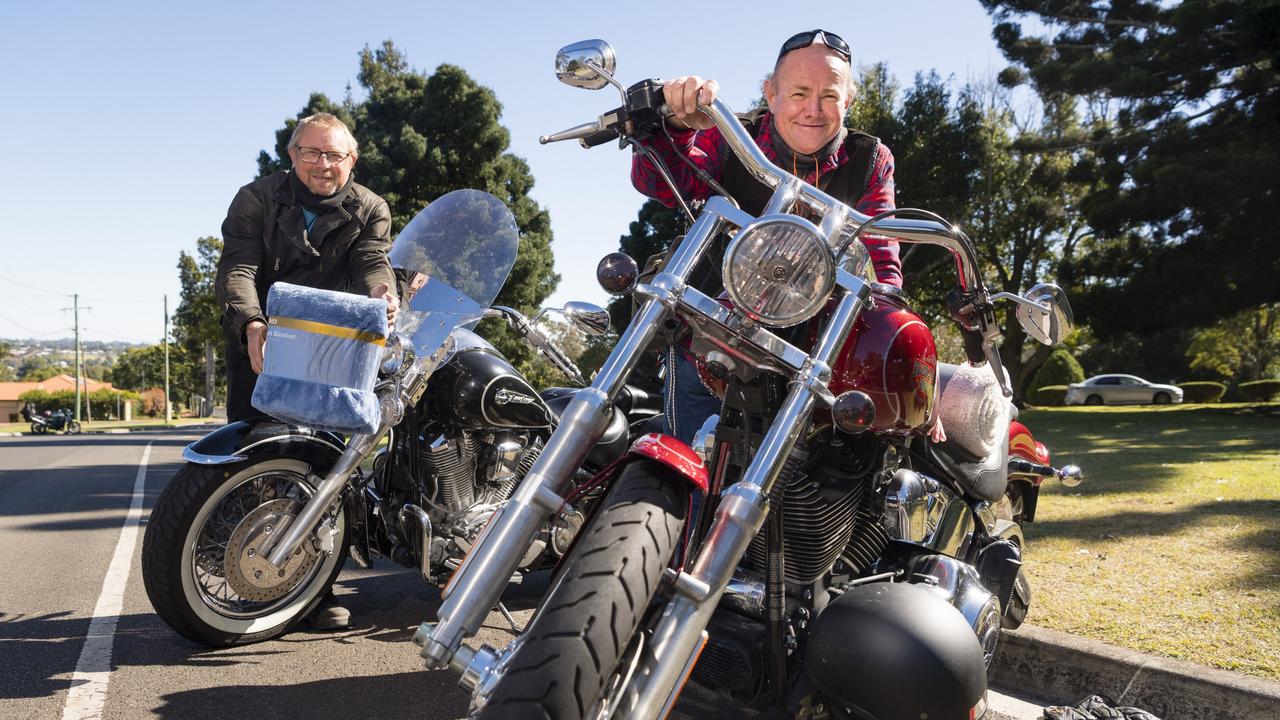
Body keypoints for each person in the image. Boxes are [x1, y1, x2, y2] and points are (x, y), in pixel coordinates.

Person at [630, 29, 899, 443]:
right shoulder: (733, 135)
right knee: (681, 468)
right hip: (706, 344)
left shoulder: (870, 162)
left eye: (830, 95)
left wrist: (898, 355)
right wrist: (676, 122)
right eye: (798, 93)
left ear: (849, 100)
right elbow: (663, 182)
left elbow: (882, 267)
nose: (813, 109)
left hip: (805, 362)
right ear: (770, 93)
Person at [214, 112, 399, 630]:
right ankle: (234, 559)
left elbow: (372, 262)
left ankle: (316, 588)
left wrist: (383, 294)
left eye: (335, 155)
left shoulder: (369, 208)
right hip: (264, 343)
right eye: (313, 153)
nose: (324, 165)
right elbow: (239, 267)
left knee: (326, 466)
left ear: (352, 161)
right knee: (255, 457)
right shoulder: (256, 198)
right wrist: (251, 322)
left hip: (332, 349)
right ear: (293, 156)